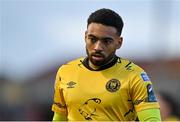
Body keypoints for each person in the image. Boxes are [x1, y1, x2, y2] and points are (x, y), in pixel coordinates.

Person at [51, 8, 161, 121]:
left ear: (119, 42)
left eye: (106, 41)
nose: (98, 47)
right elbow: (59, 118)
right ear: (85, 36)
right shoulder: (66, 72)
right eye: (92, 39)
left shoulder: (135, 76)